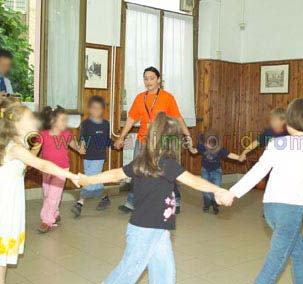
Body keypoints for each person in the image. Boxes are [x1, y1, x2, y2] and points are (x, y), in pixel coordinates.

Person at [78, 113, 228, 284]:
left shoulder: (142, 161)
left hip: (159, 229)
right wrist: (218, 190)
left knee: (164, 274)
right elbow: (193, 181)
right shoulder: (166, 164)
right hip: (145, 230)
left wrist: (89, 179)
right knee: (127, 273)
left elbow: (115, 174)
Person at [217, 99, 303, 284]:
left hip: (270, 209)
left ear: (288, 120)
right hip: (291, 211)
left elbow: (257, 172)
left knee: (298, 252)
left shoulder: (277, 144)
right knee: (276, 261)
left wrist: (232, 192)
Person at [0, 105, 79, 284]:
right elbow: (43, 165)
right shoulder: (15, 148)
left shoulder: (14, 143)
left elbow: (24, 166)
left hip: (2, 191)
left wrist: (34, 148)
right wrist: (70, 175)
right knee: (1, 233)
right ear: (16, 124)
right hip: (1, 196)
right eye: (30, 119)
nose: (35, 122)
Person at [114, 67, 191, 214]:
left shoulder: (168, 98)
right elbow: (131, 119)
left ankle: (176, 198)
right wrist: (121, 137)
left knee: (166, 171)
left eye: (151, 78)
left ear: (159, 79)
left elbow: (178, 118)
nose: (148, 81)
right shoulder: (139, 98)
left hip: (162, 141)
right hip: (143, 140)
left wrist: (188, 136)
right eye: (145, 78)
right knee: (138, 170)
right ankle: (131, 202)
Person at [38, 106, 85, 233]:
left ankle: (47, 220)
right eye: (62, 120)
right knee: (47, 194)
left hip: (62, 170)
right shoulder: (42, 135)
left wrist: (80, 149)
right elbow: (35, 150)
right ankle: (55, 212)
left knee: (54, 195)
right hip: (47, 169)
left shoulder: (66, 134)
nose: (65, 123)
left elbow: (75, 146)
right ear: (53, 121)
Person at [71, 96, 112, 217]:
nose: (96, 111)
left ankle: (80, 203)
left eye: (99, 108)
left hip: (99, 157)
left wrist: (115, 144)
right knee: (95, 180)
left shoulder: (105, 124)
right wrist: (81, 148)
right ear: (90, 109)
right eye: (94, 108)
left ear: (102, 110)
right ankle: (105, 197)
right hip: (88, 156)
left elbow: (106, 139)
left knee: (89, 179)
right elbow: (83, 137)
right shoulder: (86, 123)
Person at [189, 128, 241, 214]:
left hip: (216, 171)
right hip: (205, 170)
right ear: (205, 144)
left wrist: (239, 157)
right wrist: (190, 146)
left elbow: (230, 155)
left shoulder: (220, 149)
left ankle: (215, 204)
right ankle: (207, 204)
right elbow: (194, 151)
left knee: (216, 188)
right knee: (205, 189)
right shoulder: (202, 147)